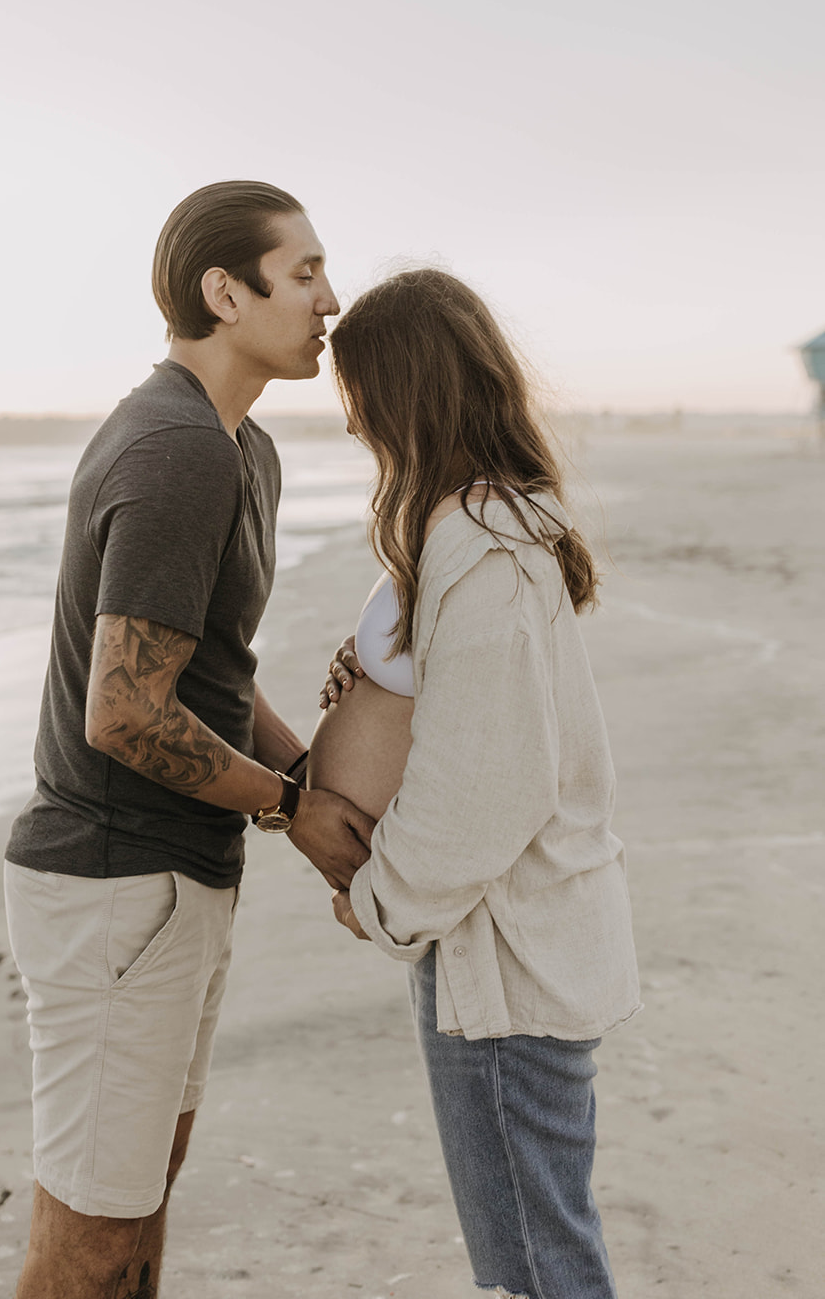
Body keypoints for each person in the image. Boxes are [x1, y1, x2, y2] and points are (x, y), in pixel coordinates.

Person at [3, 181, 374, 1299]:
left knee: (141, 1193)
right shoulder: (176, 449)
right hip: (115, 877)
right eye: (302, 272)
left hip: (173, 878)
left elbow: (208, 677)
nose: (329, 299)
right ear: (226, 289)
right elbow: (120, 712)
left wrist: (319, 775)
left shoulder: (242, 449)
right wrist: (287, 808)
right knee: (96, 1233)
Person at [312, 268, 640, 1299]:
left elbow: (487, 789)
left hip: (500, 953)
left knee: (536, 1266)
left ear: (402, 390)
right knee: (530, 1255)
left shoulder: (482, 545)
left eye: (361, 393)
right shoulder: (475, 526)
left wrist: (380, 903)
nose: (354, 420)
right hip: (488, 939)